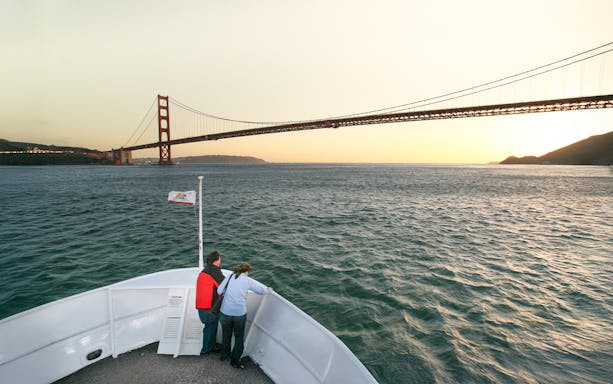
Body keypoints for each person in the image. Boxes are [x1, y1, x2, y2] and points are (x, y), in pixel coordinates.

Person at [218, 262, 271, 369]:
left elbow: (219, 290)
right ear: (246, 272)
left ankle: (224, 355)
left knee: (226, 335)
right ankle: (235, 360)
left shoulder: (230, 277)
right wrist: (268, 290)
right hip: (239, 314)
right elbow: (261, 290)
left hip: (225, 313)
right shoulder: (247, 280)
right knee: (238, 338)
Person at [195, 250, 225, 355]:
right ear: (216, 261)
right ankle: (206, 350)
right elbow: (224, 285)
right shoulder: (215, 271)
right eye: (220, 258)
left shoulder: (205, 270)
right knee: (212, 326)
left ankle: (209, 347)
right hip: (210, 309)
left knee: (209, 327)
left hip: (201, 308)